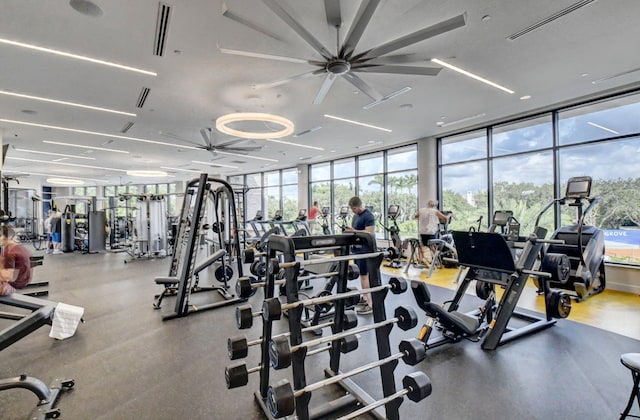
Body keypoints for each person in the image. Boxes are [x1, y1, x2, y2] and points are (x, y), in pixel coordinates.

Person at [344, 196, 376, 315]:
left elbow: (370, 233)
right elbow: (356, 230)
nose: (353, 211)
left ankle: (370, 304)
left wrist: (354, 230)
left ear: (359, 206)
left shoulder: (368, 216)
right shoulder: (355, 216)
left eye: (354, 209)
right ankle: (364, 297)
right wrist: (351, 230)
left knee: (365, 276)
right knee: (362, 276)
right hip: (357, 250)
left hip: (366, 250)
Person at [415, 199, 451, 264]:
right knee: (433, 247)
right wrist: (450, 215)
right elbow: (445, 218)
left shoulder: (421, 210)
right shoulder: (434, 211)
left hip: (422, 232)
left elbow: (416, 216)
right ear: (434, 205)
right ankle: (436, 261)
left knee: (423, 246)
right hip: (430, 232)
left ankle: (421, 260)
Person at [0, 225, 33, 296]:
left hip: (12, 286)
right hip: (24, 279)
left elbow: (10, 278)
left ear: (8, 237)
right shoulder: (19, 247)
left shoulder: (9, 252)